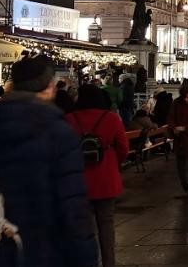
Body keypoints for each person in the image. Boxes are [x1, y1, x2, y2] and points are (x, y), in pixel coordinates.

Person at [0, 56, 97, 266]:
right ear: (49, 88)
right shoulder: (58, 132)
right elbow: (72, 204)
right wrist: (85, 254)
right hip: (46, 246)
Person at [65, 84, 128, 267]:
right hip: (106, 178)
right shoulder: (111, 118)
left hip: (79, 180)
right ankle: (109, 262)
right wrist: (114, 164)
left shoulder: (70, 119)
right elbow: (123, 148)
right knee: (106, 224)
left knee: (85, 226)